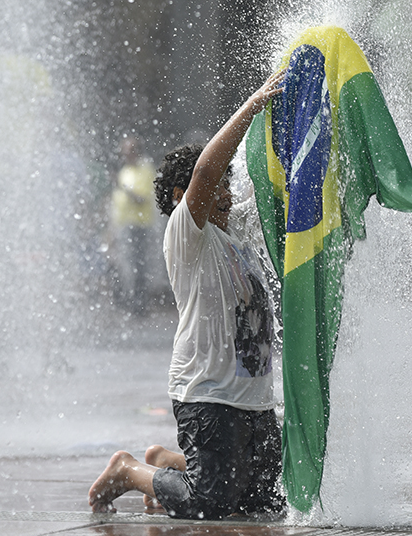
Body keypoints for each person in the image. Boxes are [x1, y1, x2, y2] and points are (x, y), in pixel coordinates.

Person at [88, 70, 286, 519]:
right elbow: (206, 168)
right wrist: (254, 104)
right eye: (220, 188)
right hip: (207, 391)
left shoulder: (234, 235)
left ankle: (169, 463)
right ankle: (129, 471)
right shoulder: (187, 236)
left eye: (228, 187)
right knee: (208, 502)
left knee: (267, 501)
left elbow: (270, 187)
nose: (228, 195)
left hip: (252, 395)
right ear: (183, 196)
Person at [108, 135, 157, 314]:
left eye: (129, 151)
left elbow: (142, 199)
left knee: (138, 266)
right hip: (123, 225)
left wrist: (123, 188)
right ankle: (126, 302)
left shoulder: (145, 170)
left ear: (137, 152)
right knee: (124, 264)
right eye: (124, 152)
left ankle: (139, 304)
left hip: (139, 226)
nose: (126, 155)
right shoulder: (125, 171)